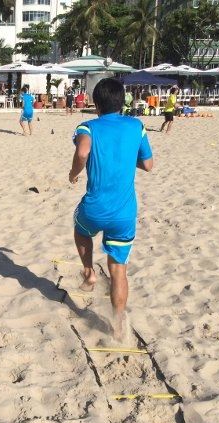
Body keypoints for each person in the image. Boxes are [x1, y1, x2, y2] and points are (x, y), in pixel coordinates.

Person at [68, 77, 153, 339]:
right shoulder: (137, 126)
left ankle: (90, 272)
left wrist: (73, 173)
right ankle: (118, 323)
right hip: (124, 213)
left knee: (80, 228)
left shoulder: (88, 126)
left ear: (96, 103)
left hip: (95, 209)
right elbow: (148, 165)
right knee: (119, 271)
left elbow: (82, 153)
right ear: (122, 102)